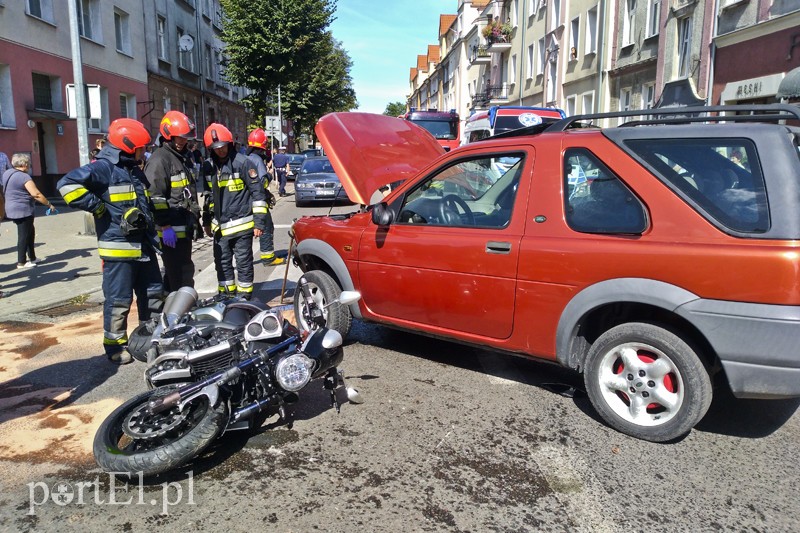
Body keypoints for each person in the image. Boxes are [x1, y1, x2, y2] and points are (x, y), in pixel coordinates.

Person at [57, 118, 164, 365]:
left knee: (153, 295)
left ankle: (149, 341)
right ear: (128, 146)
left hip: (144, 247)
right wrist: (96, 207)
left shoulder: (133, 168)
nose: (144, 151)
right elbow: (65, 184)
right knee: (119, 301)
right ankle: (115, 346)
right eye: (140, 147)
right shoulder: (103, 168)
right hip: (119, 252)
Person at [201, 123, 268, 299]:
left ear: (229, 144)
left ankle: (244, 298)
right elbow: (208, 197)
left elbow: (258, 194)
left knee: (244, 263)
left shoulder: (243, 163)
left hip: (242, 226)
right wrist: (206, 221)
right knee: (222, 264)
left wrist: (259, 222)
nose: (220, 151)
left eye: (223, 146)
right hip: (220, 228)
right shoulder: (208, 167)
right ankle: (226, 297)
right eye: (216, 148)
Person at [145, 110, 201, 292]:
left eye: (185, 138)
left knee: (177, 272)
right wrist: (165, 225)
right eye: (179, 138)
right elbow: (155, 196)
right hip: (171, 230)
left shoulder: (181, 157)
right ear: (168, 135)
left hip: (182, 227)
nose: (183, 141)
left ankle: (171, 307)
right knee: (180, 273)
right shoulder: (160, 159)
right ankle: (183, 309)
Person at [1, 153, 57, 269]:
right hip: (23, 209)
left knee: (30, 232)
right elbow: (36, 194)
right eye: (29, 164)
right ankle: (21, 262)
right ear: (24, 164)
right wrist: (48, 204)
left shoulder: (7, 173)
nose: (30, 166)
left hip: (11, 207)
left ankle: (32, 257)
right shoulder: (24, 177)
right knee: (24, 235)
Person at [246, 128, 285, 267]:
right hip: (258, 202)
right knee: (267, 227)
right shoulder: (257, 160)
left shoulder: (244, 158)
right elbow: (263, 182)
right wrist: (268, 175)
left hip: (244, 203)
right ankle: (268, 258)